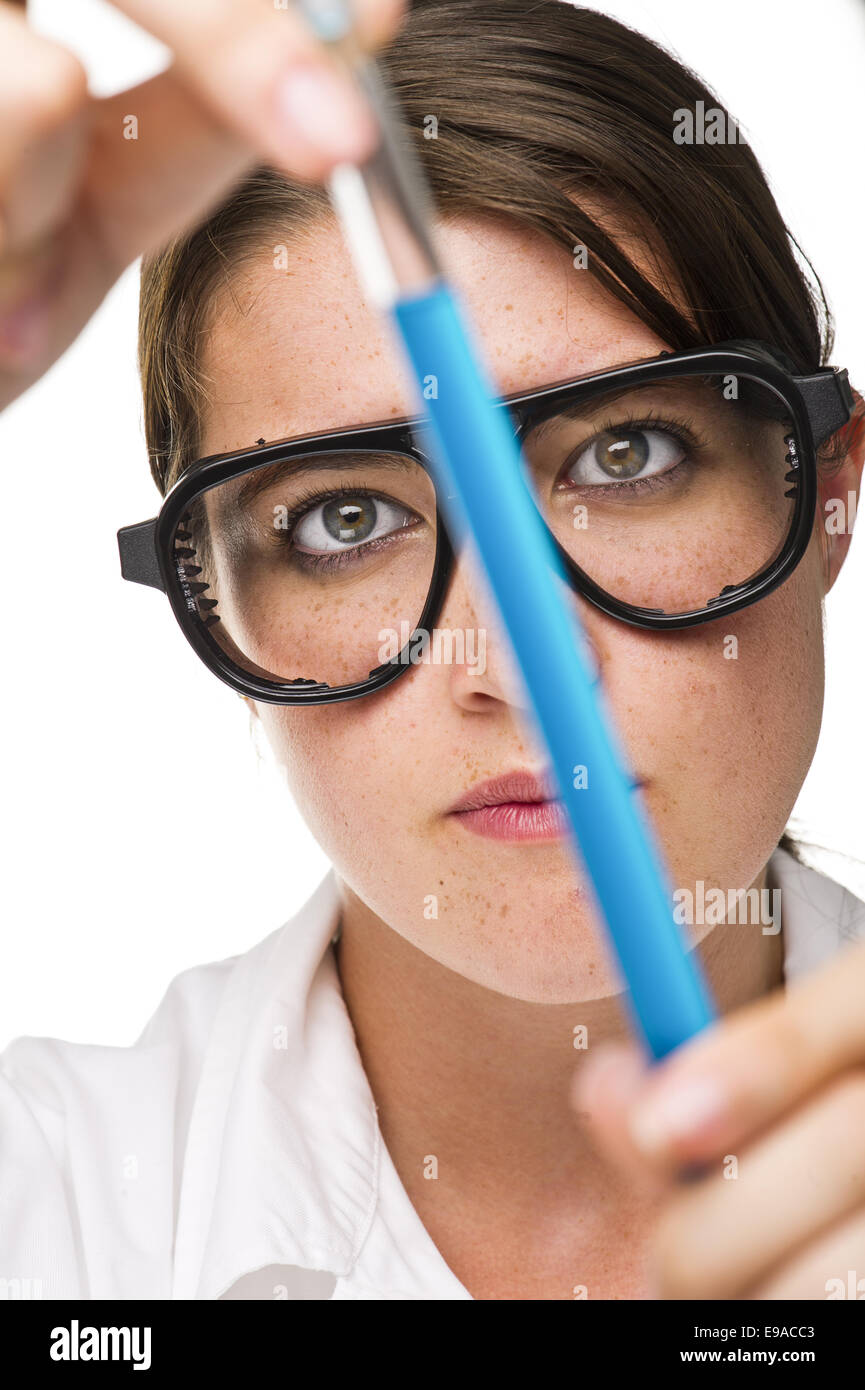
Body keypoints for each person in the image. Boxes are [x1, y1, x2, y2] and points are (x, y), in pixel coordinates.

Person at [2, 0, 864, 1302]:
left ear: (826, 488)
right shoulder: (49, 1212)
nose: (516, 667)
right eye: (346, 520)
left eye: (628, 454)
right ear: (212, 597)